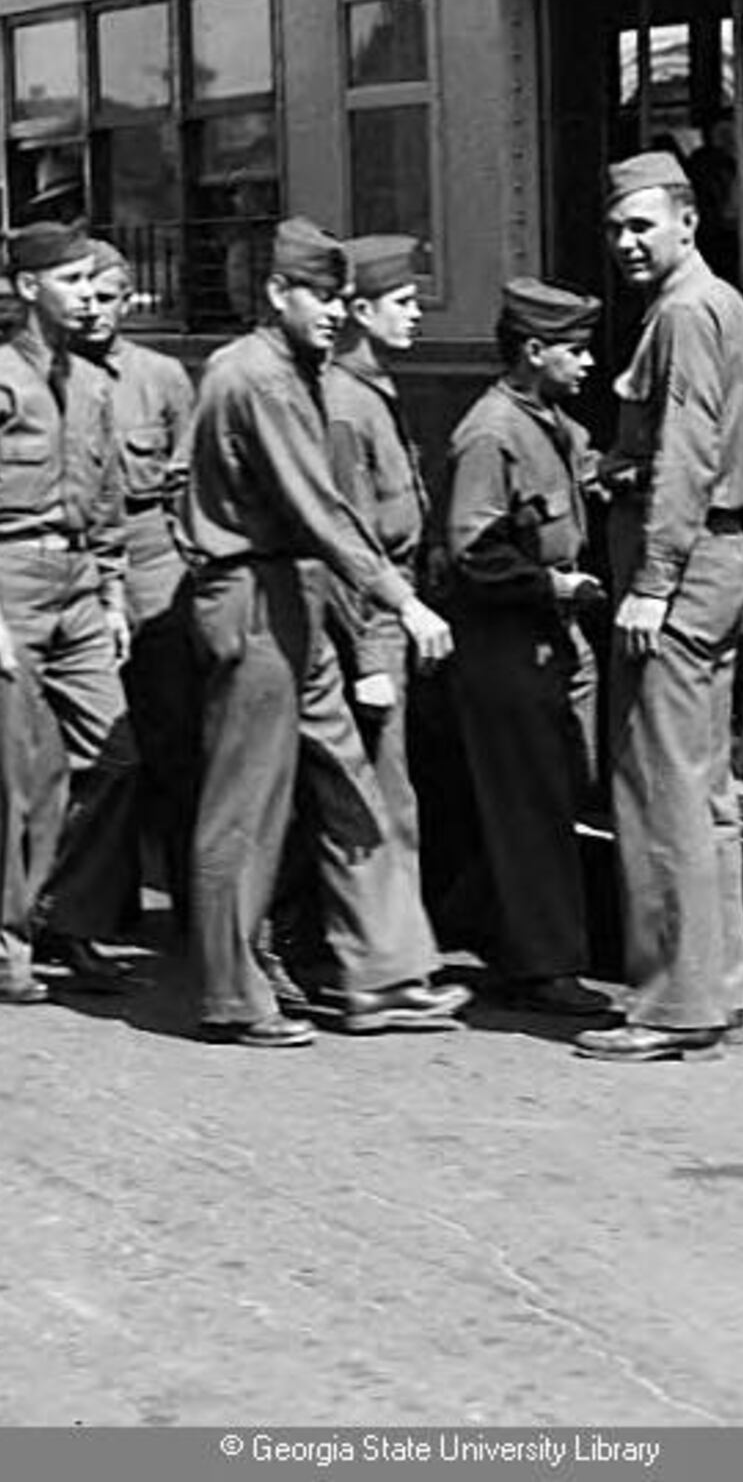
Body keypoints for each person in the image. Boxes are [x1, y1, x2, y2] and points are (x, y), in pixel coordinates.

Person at [176, 217, 464, 1049]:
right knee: (246, 809)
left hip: (291, 598)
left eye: (344, 298)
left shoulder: (291, 369)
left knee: (350, 786)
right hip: (254, 600)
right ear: (276, 294)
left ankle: (381, 975)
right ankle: (233, 997)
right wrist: (399, 602)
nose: (338, 312)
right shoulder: (259, 379)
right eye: (322, 297)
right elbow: (318, 506)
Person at [582, 150, 743, 1064]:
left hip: (683, 571)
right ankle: (715, 994)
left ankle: (670, 1007)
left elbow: (690, 448)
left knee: (659, 792)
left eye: (643, 225)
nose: (626, 242)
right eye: (616, 228)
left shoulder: (686, 314)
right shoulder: (718, 303)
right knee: (703, 790)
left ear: (688, 221)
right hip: (722, 558)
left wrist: (650, 581)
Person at [0, 223, 139, 1000]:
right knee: (4, 776)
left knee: (117, 758)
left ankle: (66, 915)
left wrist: (114, 594)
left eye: (95, 284)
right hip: (9, 583)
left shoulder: (92, 385)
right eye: (73, 282)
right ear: (29, 290)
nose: (89, 297)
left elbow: (110, 497)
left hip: (81, 587)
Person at [438, 277, 614, 1016]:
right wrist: (557, 587)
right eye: (576, 351)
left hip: (544, 645)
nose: (589, 365)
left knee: (538, 796)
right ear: (535, 352)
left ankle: (493, 936)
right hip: (507, 648)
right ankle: (543, 968)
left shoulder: (550, 422)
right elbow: (473, 550)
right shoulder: (492, 432)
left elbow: (582, 476)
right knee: (532, 807)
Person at [272, 233, 436, 1008]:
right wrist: (370, 658)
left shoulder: (369, 391)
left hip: (384, 623)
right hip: (367, 628)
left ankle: (373, 962)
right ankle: (363, 968)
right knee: (371, 804)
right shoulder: (343, 407)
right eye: (403, 304)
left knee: (380, 799)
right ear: (364, 312)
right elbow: (341, 542)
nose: (416, 318)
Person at [78, 235, 199, 935]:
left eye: (108, 297)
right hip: (82, 573)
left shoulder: (162, 379)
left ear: (129, 302)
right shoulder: (45, 379)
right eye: (84, 296)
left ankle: (192, 904)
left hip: (155, 570)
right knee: (96, 753)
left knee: (176, 744)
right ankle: (102, 909)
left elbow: (186, 484)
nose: (94, 311)